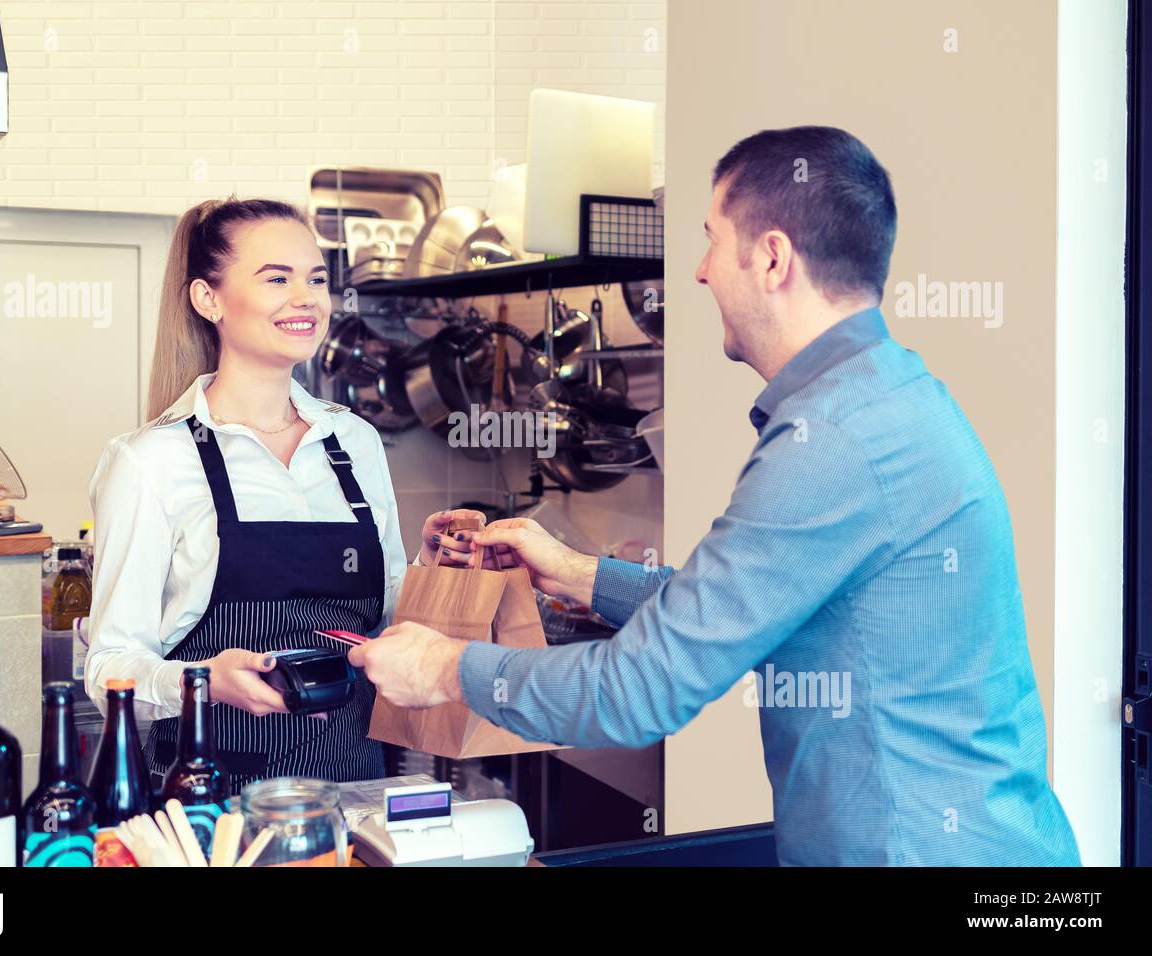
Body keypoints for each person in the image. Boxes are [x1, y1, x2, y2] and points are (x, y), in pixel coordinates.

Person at [351, 127, 1083, 866]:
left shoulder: (834, 440)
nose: (698, 272)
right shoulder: (882, 395)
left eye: (710, 240)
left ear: (771, 258)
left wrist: (445, 667)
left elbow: (641, 689)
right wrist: (574, 572)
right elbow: (739, 604)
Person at [85, 197, 476, 793]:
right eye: (277, 279)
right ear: (207, 299)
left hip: (354, 791)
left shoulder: (354, 441)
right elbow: (109, 666)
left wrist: (431, 566)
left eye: (316, 279)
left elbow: (388, 616)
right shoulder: (150, 461)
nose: (307, 298)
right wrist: (203, 681)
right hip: (209, 806)